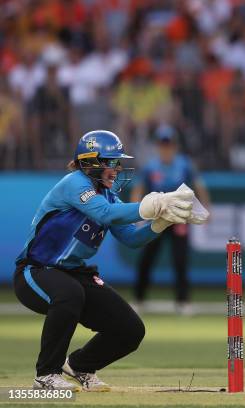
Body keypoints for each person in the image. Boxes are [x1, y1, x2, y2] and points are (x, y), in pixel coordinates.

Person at [13, 130, 201, 391]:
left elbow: (132, 239)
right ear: (90, 162)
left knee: (130, 329)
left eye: (117, 162)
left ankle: (80, 365)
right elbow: (105, 213)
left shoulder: (109, 195)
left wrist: (163, 221)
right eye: (110, 162)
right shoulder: (74, 183)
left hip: (74, 274)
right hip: (36, 270)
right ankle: (46, 375)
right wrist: (151, 205)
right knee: (69, 294)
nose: (116, 168)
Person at [130, 125, 211, 315]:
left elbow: (199, 186)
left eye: (169, 144)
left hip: (178, 220)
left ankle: (183, 302)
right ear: (158, 146)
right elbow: (138, 190)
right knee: (146, 260)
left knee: (180, 260)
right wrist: (136, 214)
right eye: (163, 144)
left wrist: (208, 208)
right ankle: (139, 299)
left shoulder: (184, 164)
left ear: (175, 146)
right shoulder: (151, 167)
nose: (166, 148)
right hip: (156, 219)